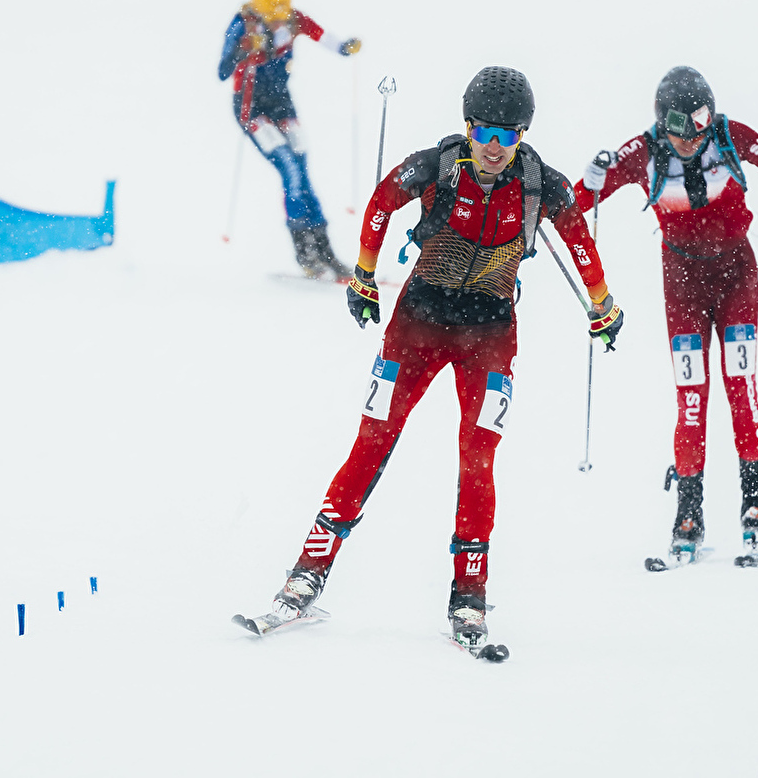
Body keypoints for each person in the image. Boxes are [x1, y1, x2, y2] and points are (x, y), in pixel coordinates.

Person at [266, 66, 624, 650]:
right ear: (468, 126)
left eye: (508, 137)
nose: (493, 148)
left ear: (523, 136)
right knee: (373, 440)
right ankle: (308, 572)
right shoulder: (438, 165)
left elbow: (580, 240)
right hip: (418, 324)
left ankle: (470, 597)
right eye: (484, 132)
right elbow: (383, 201)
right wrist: (362, 277)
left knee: (478, 457)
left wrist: (603, 305)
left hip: (489, 333)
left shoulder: (539, 184)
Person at [576, 66, 758, 567]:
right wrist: (593, 178)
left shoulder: (730, 135)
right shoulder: (642, 152)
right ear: (663, 123)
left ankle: (756, 506)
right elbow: (577, 202)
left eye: (701, 121)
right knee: (691, 396)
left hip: (736, 277)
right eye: (680, 127)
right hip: (681, 283)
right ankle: (689, 513)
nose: (691, 137)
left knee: (741, 385)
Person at [218, 0, 361, 278]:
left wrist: (344, 47)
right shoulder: (243, 24)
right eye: (272, 13)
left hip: (282, 105)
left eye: (281, 13)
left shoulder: (291, 21)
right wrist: (243, 48)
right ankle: (305, 251)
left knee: (302, 169)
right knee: (290, 170)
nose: (277, 20)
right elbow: (222, 70)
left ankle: (324, 250)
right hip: (252, 110)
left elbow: (318, 33)